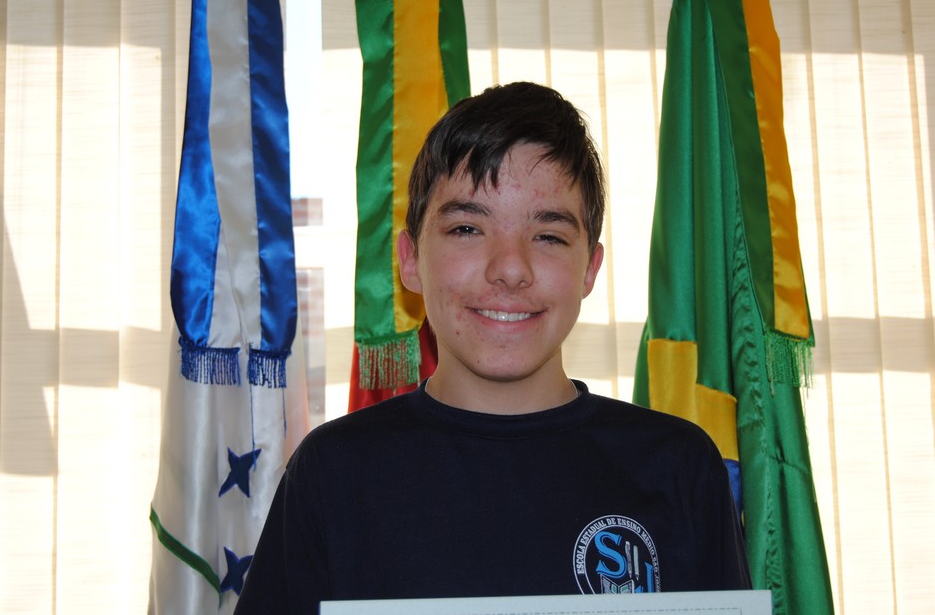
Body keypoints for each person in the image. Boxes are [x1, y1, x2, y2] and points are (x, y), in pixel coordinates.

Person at [235, 82, 751, 614]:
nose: (510, 268)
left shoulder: (679, 467)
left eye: (548, 236)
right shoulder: (332, 473)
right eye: (467, 228)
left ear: (590, 269)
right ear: (410, 260)